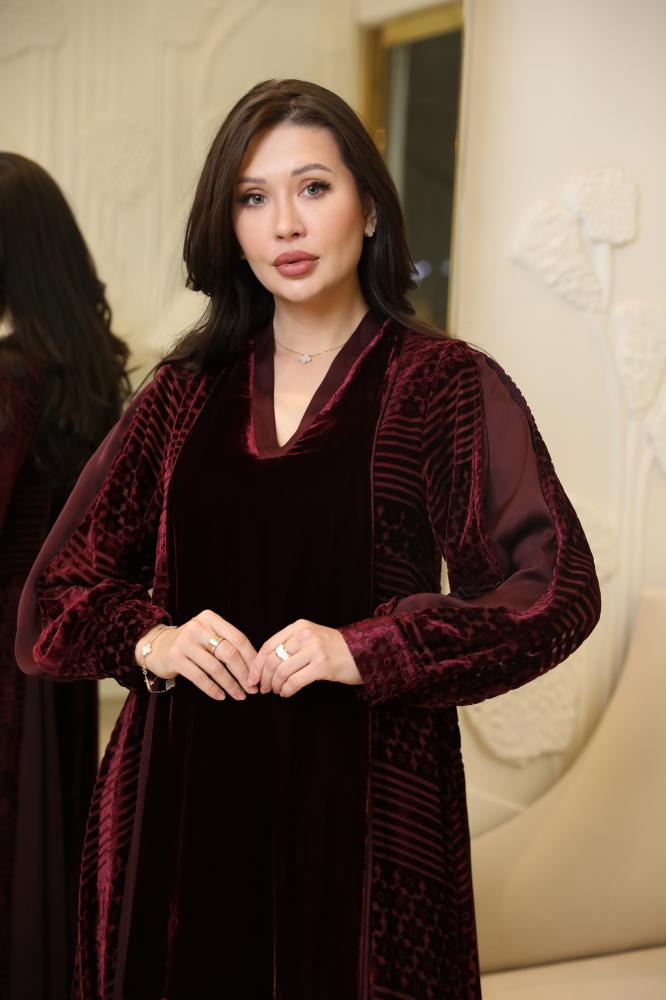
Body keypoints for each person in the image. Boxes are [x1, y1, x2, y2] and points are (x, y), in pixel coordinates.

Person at [15, 80, 600, 1000]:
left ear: (369, 207)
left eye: (313, 187)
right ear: (230, 226)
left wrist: (368, 648)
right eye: (253, 197)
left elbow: (552, 588)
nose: (284, 223)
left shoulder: (443, 385)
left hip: (369, 812)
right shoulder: (182, 393)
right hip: (175, 808)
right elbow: (57, 596)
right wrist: (154, 639)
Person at [0, 152, 131, 1000]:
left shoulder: (12, 375)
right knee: (40, 849)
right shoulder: (86, 368)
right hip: (51, 646)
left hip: (6, 645)